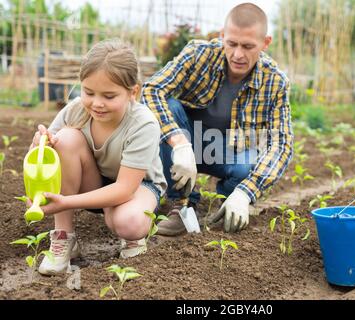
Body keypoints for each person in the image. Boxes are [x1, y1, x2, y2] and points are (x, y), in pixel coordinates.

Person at [142, 3, 293, 235]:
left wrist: (246, 192)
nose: (238, 54)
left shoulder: (275, 81)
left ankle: (230, 201)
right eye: (231, 43)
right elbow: (151, 89)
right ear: (222, 36)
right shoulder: (198, 54)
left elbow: (282, 146)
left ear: (265, 43)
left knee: (248, 163)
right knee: (169, 107)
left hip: (224, 150)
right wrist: (178, 142)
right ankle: (181, 205)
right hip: (184, 144)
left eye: (248, 46)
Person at [28, 39, 167, 275]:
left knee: (128, 222)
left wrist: (65, 201)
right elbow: (45, 157)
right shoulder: (75, 109)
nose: (97, 103)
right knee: (65, 139)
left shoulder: (143, 124)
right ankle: (63, 239)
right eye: (89, 92)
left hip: (137, 187)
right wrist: (38, 146)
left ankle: (132, 238)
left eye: (109, 96)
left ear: (133, 92)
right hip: (94, 181)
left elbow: (124, 189)